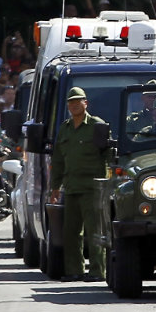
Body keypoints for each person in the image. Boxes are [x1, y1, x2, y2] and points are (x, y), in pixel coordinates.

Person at [49, 87, 109, 282]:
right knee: (71, 233)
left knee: (94, 232)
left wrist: (108, 183)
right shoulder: (65, 128)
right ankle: (74, 270)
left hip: (92, 188)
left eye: (78, 101)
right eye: (71, 101)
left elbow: (108, 155)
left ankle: (97, 271)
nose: (74, 104)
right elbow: (58, 160)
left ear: (86, 103)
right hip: (71, 187)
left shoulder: (97, 125)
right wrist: (55, 187)